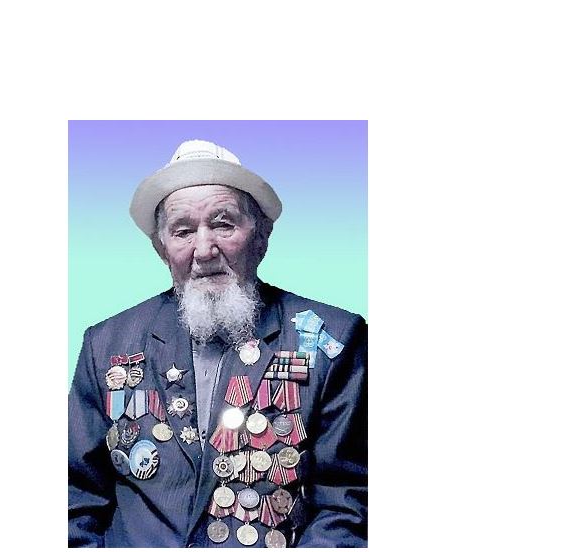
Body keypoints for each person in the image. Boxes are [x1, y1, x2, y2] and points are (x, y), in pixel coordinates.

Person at [68, 139, 367, 548]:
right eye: (183, 231)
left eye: (224, 224)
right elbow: (73, 498)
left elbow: (346, 504)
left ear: (261, 236)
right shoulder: (105, 345)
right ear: (161, 248)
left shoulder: (336, 339)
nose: (204, 250)